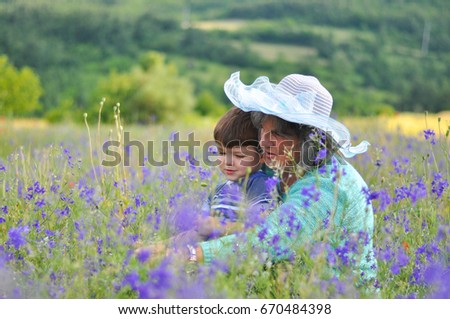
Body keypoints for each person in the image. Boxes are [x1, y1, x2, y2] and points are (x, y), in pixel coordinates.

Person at [138, 106, 276, 252]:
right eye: (222, 152)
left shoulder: (259, 184)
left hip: (235, 254)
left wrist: (219, 226)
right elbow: (199, 232)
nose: (227, 161)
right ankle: (155, 249)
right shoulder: (219, 190)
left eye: (239, 156)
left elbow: (259, 228)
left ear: (262, 156)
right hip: (209, 257)